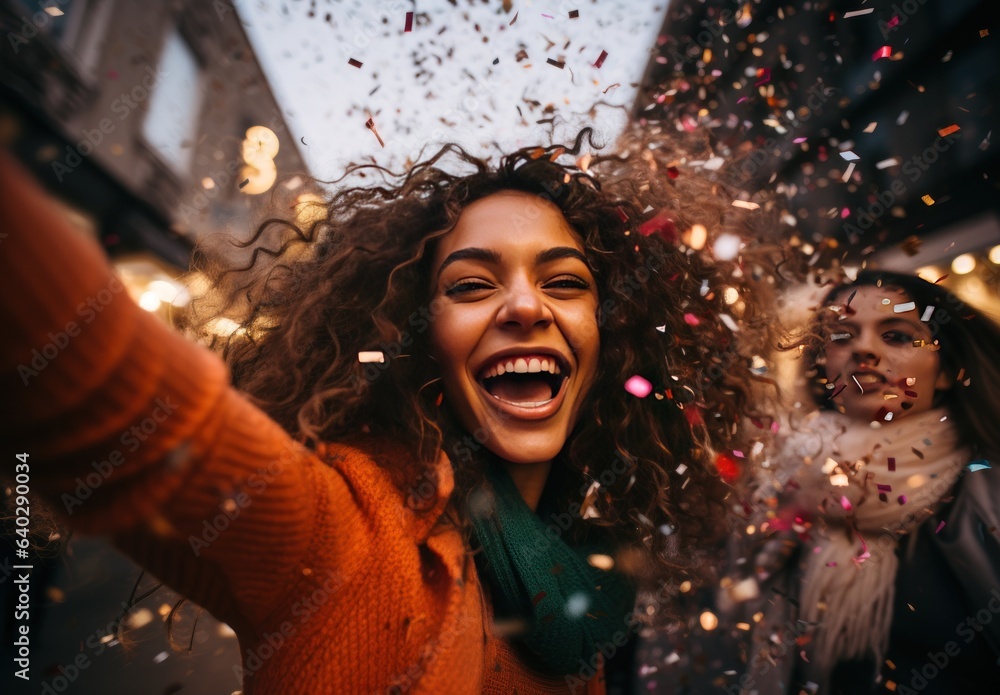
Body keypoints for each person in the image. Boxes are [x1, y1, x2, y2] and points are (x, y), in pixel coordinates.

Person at [0, 128, 773, 694]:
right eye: (471, 285)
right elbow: (99, 381)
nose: (526, 305)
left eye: (566, 282)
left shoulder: (592, 579)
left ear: (614, 337)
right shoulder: (348, 530)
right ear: (417, 339)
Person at [739, 270, 1000, 694]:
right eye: (842, 336)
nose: (863, 349)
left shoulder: (986, 495)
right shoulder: (780, 490)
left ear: (948, 369)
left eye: (896, 336)